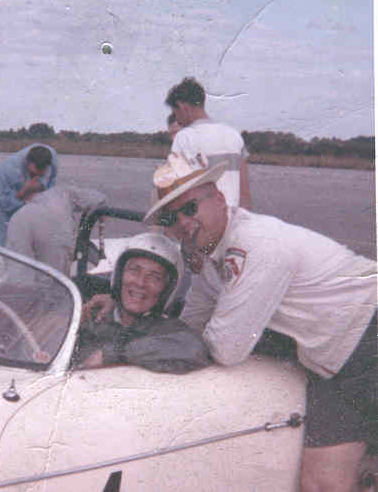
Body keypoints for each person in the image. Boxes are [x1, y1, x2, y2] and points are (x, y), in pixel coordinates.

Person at [139, 156, 377, 492]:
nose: (182, 222)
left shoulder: (257, 244)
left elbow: (226, 348)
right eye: (169, 217)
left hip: (367, 333)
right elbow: (189, 325)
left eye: (190, 208)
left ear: (219, 199)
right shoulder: (210, 258)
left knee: (323, 484)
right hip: (332, 354)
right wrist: (131, 327)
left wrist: (145, 348)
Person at [74, 232, 212, 374]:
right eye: (134, 271)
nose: (140, 283)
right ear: (120, 275)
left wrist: (113, 354)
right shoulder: (94, 315)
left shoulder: (168, 330)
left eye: (155, 277)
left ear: (166, 289)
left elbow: (194, 349)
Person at [165, 77, 251, 210]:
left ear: (183, 108)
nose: (177, 119)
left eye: (175, 113)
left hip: (205, 220)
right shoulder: (234, 135)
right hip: (234, 217)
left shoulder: (183, 137)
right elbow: (244, 193)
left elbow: (177, 191)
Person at [6, 185, 106, 279]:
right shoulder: (63, 192)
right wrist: (88, 225)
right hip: (56, 239)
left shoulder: (19, 215)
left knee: (23, 273)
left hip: (22, 225)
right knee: (56, 279)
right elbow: (99, 199)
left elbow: (18, 269)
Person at [0, 144, 58, 246]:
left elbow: (52, 182)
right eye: (33, 174)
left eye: (40, 175)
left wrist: (42, 192)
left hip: (39, 210)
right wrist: (22, 193)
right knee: (8, 247)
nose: (36, 178)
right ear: (27, 162)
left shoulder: (51, 157)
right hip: (10, 214)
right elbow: (0, 201)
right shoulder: (7, 170)